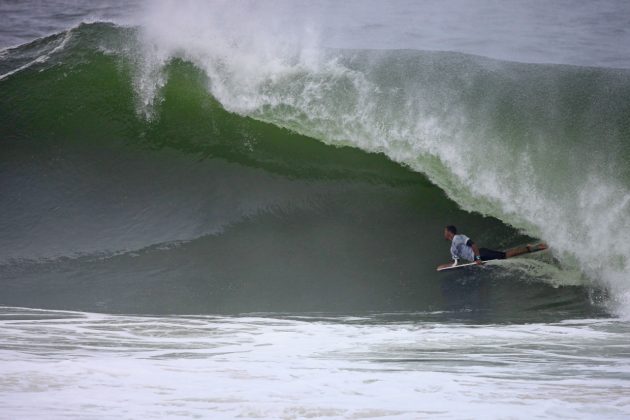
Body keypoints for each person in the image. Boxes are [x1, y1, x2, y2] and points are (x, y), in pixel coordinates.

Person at [442, 225, 547, 268]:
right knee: (503, 255)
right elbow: (456, 262)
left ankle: (533, 248)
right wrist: (445, 266)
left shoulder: (458, 238)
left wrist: (478, 258)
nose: (444, 234)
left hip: (480, 254)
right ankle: (529, 247)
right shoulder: (452, 248)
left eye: (445, 232)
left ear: (449, 232)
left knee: (505, 255)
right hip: (479, 256)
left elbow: (473, 244)